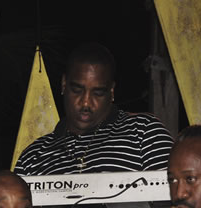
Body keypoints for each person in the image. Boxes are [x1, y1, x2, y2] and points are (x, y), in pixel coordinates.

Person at [14, 42, 174, 175]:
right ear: (63, 84)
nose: (85, 103)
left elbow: (175, 202)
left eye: (98, 93)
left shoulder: (144, 133)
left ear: (111, 92)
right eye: (77, 90)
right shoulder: (34, 156)